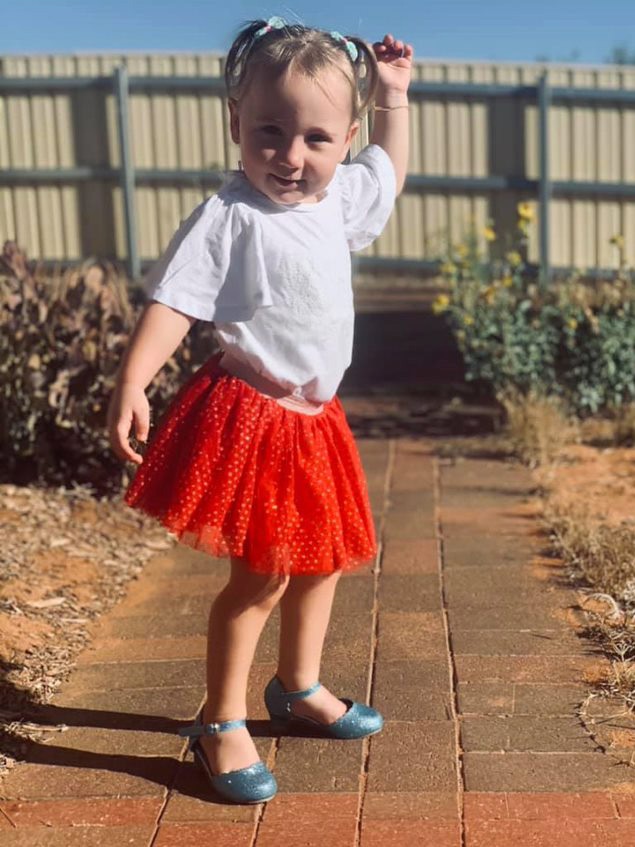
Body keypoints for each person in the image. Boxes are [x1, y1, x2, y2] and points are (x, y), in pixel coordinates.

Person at [107, 16, 412, 805]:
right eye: (269, 132)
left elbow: (387, 174)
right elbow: (175, 301)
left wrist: (394, 99)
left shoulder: (338, 197)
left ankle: (298, 684)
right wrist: (134, 379)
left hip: (316, 419)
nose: (290, 155)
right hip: (253, 416)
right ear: (235, 121)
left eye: (315, 137)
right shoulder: (230, 214)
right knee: (262, 575)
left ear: (345, 136)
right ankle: (220, 721)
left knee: (321, 559)